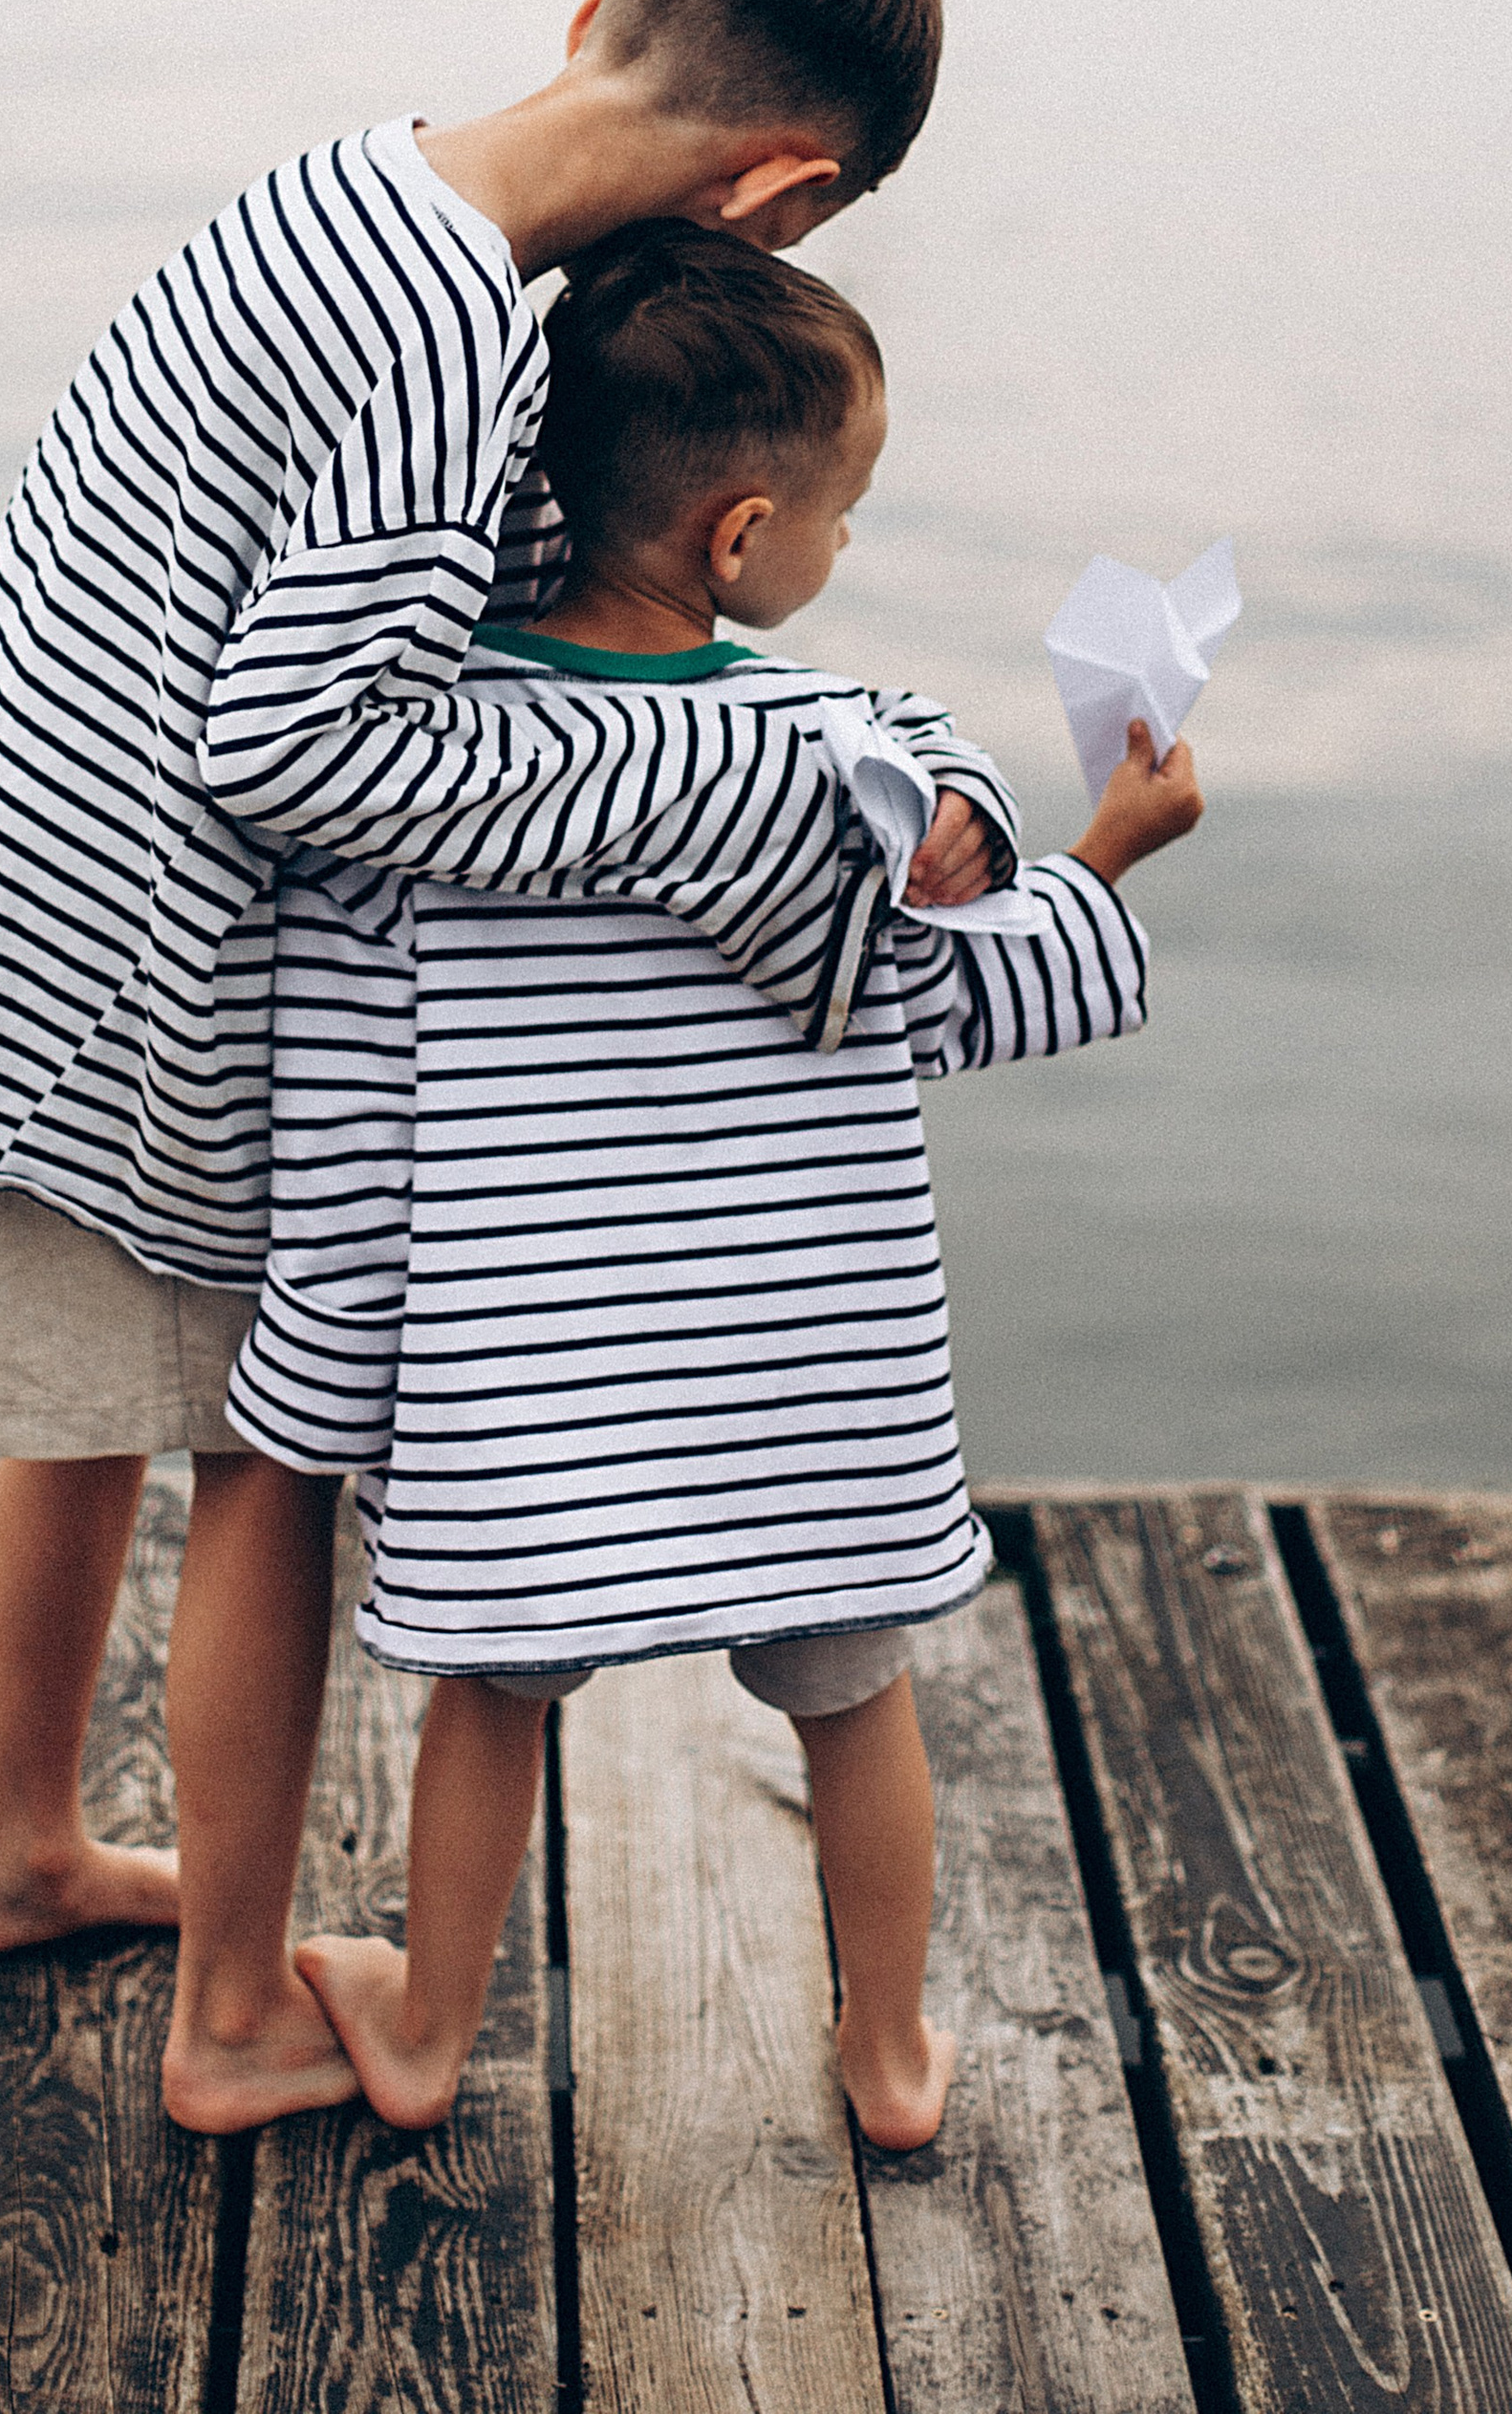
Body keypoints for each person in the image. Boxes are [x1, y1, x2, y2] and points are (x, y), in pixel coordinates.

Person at [0, 0, 1011, 2115]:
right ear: (783, 192)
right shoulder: (451, 338)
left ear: (592, 16)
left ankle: (13, 1848)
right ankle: (230, 2020)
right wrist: (703, 783)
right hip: (133, 1002)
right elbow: (293, 745)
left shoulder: (348, 191)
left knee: (73, 1416)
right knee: (255, 1460)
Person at [227, 225, 1204, 2152]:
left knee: (492, 1694)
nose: (844, 547)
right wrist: (1096, 855)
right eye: (844, 514)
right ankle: (890, 2051)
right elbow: (954, 996)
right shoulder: (835, 764)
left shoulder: (414, 776)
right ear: (744, 536)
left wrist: (323, 1375)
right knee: (854, 1697)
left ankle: (423, 2030)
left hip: (534, 1380)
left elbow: (341, 1090)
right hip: (797, 1377)